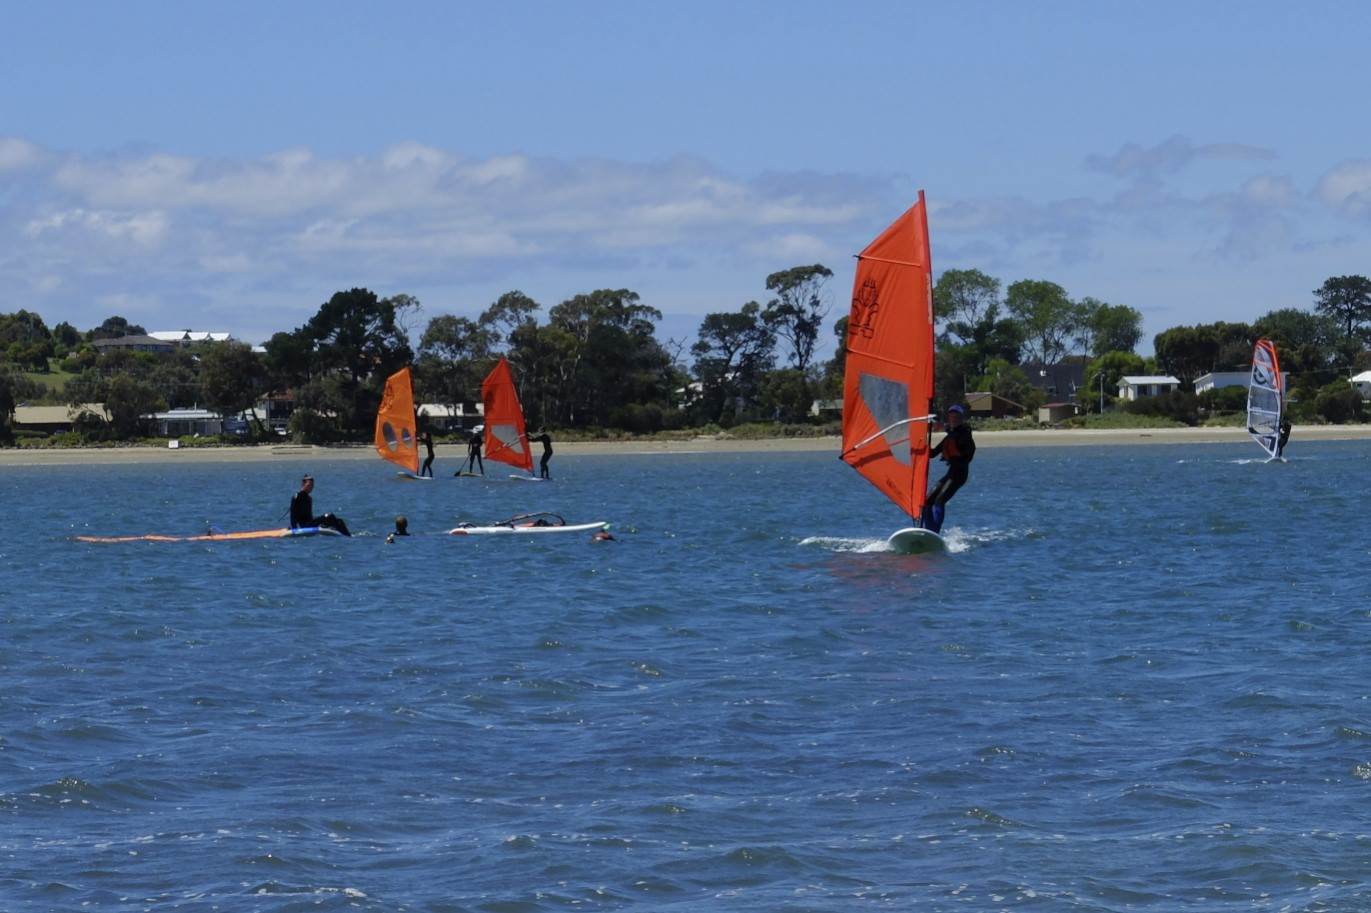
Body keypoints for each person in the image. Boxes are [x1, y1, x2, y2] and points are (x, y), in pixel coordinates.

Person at [921, 404, 975, 535]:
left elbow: (958, 437)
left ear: (961, 418)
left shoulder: (965, 432)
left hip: (960, 475)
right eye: (951, 416)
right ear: (949, 418)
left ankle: (934, 533)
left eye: (957, 416)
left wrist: (942, 427)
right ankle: (926, 531)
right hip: (951, 474)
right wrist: (921, 446)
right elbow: (933, 454)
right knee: (927, 501)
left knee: (940, 500)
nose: (954, 419)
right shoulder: (948, 437)